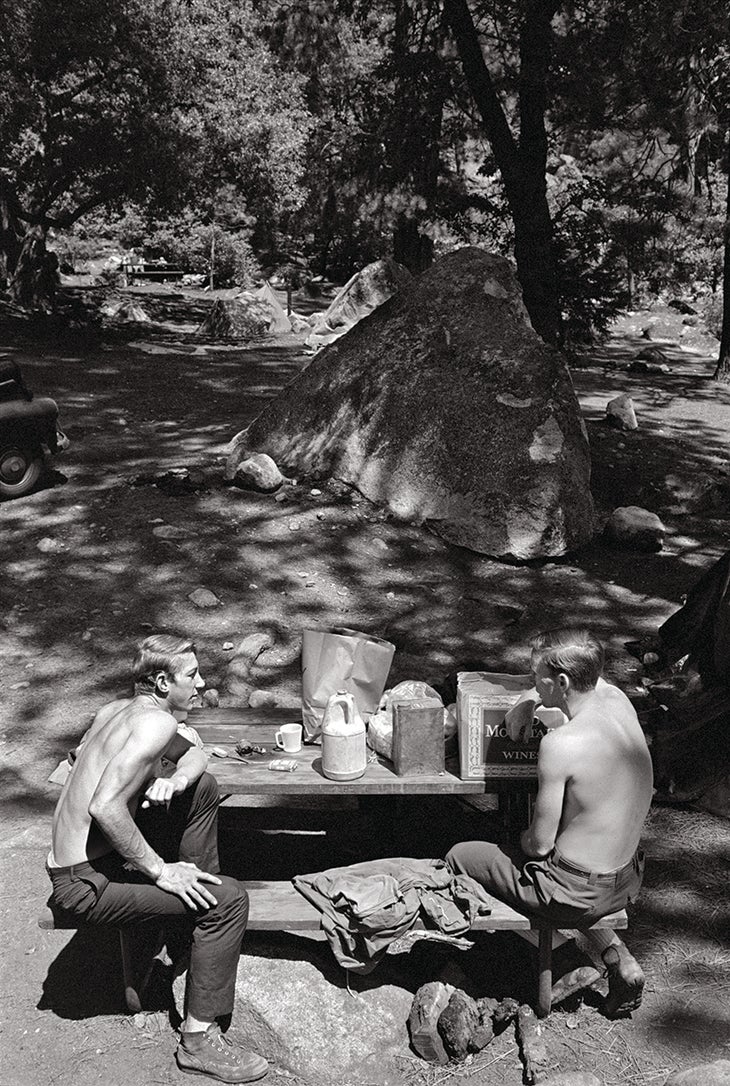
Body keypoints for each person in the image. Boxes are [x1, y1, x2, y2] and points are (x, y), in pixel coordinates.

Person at [47, 633, 268, 1083]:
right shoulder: (156, 725)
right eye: (192, 675)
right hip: (85, 882)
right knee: (228, 901)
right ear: (164, 682)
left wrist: (178, 781)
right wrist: (160, 870)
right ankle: (199, 1040)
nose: (202, 682)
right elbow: (104, 806)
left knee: (201, 789)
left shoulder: (119, 711)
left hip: (86, 864)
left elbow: (197, 757)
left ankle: (191, 921)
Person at [447, 628, 654, 1017]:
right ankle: (618, 955)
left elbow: (538, 847)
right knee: (560, 862)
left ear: (560, 682)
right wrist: (528, 701)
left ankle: (559, 962)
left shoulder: (561, 744)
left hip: (573, 893)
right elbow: (582, 683)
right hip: (626, 880)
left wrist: (515, 841)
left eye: (535, 678)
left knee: (462, 854)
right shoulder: (617, 699)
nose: (531, 684)